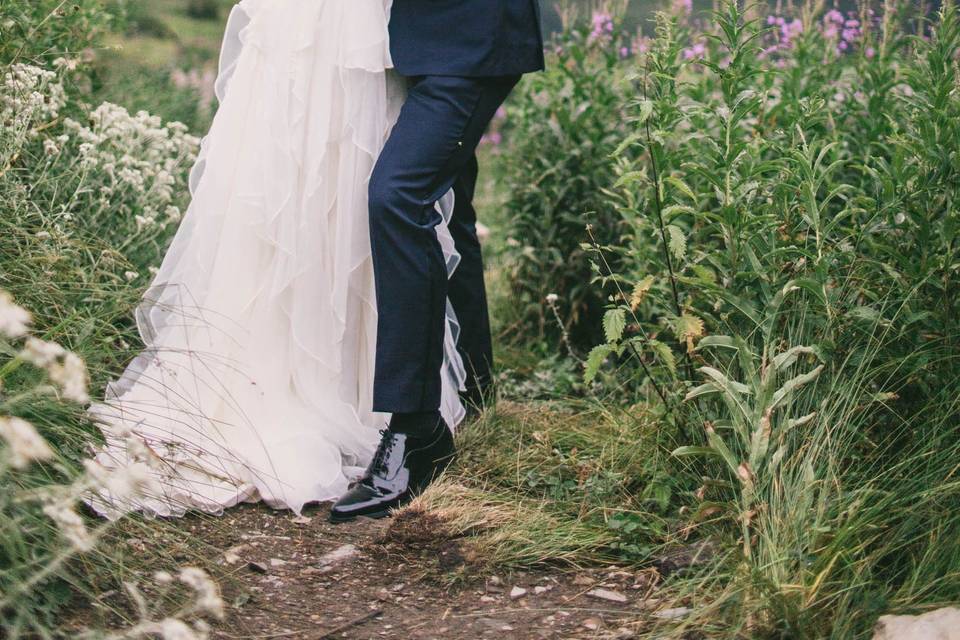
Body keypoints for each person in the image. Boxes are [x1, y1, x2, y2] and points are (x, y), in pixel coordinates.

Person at [86, 0, 543, 522]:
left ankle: (417, 431)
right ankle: (474, 385)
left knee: (399, 196)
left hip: (468, 38)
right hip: (397, 42)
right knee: (449, 203)